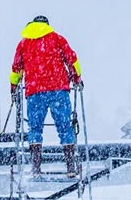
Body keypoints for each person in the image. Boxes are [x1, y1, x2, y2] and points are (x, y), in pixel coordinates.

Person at [9, 15, 83, 178]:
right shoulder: (57, 39)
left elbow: (16, 69)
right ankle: (70, 165)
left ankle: (36, 167)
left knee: (35, 129)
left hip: (35, 92)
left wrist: (13, 87)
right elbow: (72, 59)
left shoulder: (24, 43)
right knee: (64, 127)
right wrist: (77, 78)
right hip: (58, 90)